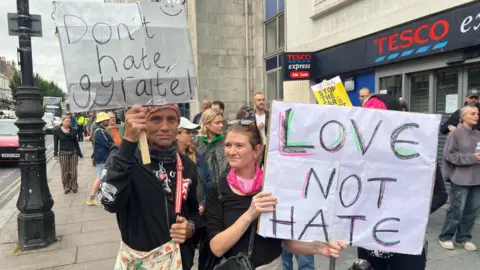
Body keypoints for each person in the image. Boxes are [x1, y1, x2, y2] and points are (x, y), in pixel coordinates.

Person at [206, 121, 347, 268]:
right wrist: (250, 214)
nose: (231, 151)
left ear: (256, 150)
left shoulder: (273, 187)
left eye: (239, 145)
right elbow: (217, 248)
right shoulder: (216, 190)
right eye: (228, 145)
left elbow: (287, 242)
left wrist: (320, 247)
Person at [98, 105, 200, 269]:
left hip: (178, 260)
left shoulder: (186, 164)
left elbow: (194, 212)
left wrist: (191, 228)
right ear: (143, 122)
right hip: (138, 261)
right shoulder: (124, 157)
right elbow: (108, 202)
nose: (165, 127)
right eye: (156, 119)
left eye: (171, 119)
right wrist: (128, 144)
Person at [356, 94, 448, 270]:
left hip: (407, 242)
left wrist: (412, 211)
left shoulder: (419, 154)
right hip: (369, 242)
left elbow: (440, 195)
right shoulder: (360, 155)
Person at [439, 104, 480, 251]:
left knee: (472, 211)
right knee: (456, 210)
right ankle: (446, 236)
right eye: (473, 113)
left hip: (477, 178)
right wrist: (472, 158)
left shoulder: (478, 134)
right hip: (460, 178)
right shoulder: (454, 134)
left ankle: (464, 238)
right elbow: (449, 155)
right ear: (463, 117)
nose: (476, 116)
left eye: (477, 114)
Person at [176, 117, 213, 269]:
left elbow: (209, 181)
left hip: (198, 216)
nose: (191, 135)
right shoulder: (169, 160)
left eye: (192, 132)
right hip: (179, 219)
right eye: (187, 132)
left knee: (193, 257)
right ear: (176, 134)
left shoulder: (198, 156)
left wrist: (204, 203)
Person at [193, 108, 228, 184]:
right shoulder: (195, 142)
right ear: (207, 124)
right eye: (217, 123)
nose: (221, 125)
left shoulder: (226, 142)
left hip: (222, 185)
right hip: (201, 186)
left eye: (221, 122)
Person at [87, 112, 114, 206]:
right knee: (100, 177)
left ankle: (99, 197)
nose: (109, 121)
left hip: (101, 157)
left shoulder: (99, 130)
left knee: (102, 177)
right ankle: (91, 199)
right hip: (102, 157)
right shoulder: (100, 131)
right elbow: (108, 144)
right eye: (107, 119)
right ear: (102, 121)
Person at [54, 115, 83, 194]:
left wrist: (79, 153)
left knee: (73, 171)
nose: (68, 123)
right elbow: (55, 143)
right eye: (66, 121)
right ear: (62, 121)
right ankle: (66, 186)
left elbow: (76, 142)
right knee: (64, 171)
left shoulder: (73, 130)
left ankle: (74, 186)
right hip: (63, 153)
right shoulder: (57, 131)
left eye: (69, 122)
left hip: (73, 152)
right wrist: (55, 153)